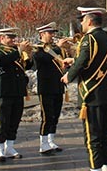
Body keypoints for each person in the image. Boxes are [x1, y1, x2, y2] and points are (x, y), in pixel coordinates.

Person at [61, 7, 107, 171]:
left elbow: (83, 61)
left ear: (89, 21)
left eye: (83, 20)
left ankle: (95, 167)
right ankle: (106, 164)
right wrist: (74, 59)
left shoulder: (88, 39)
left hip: (91, 94)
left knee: (92, 135)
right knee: (104, 133)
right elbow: (94, 59)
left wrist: (68, 76)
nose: (82, 24)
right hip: (106, 92)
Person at [0, 27, 32, 162]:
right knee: (3, 120)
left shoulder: (15, 51)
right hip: (4, 90)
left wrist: (29, 54)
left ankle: (10, 147)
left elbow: (26, 66)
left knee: (15, 120)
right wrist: (20, 51)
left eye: (13, 37)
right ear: (1, 38)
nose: (12, 40)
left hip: (17, 90)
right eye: (9, 37)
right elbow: (2, 61)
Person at [33, 22, 68, 154]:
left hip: (57, 85)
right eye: (50, 33)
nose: (52, 36)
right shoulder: (38, 48)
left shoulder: (53, 48)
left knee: (55, 115)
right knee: (47, 116)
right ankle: (43, 144)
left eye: (53, 33)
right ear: (42, 34)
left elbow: (59, 62)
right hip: (46, 87)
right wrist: (58, 48)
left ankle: (51, 140)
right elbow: (43, 59)